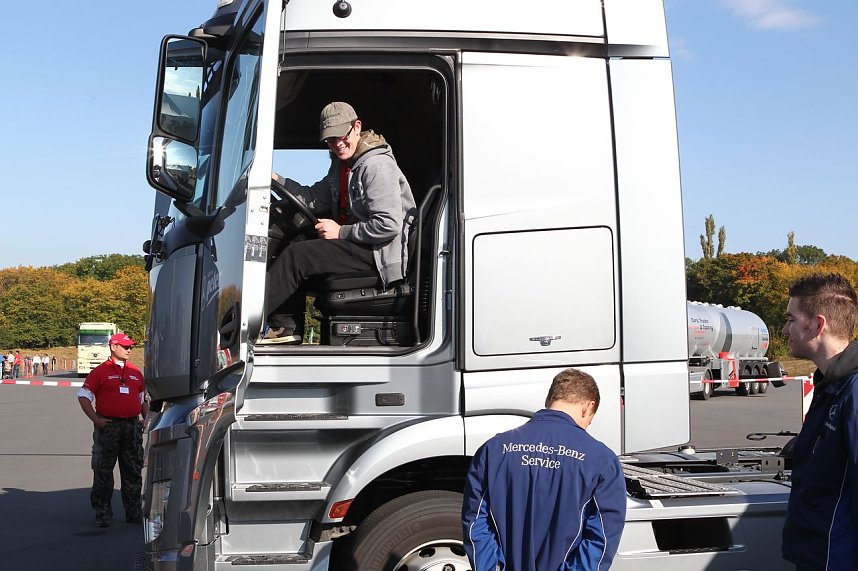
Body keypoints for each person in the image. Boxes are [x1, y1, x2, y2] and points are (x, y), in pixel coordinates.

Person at [260, 101, 416, 344]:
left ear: (357, 127)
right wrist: (275, 179)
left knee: (297, 256)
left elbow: (388, 225)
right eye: (330, 140)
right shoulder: (342, 167)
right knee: (295, 239)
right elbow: (313, 197)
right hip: (361, 244)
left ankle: (246, 324)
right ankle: (286, 328)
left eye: (342, 135)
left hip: (380, 252)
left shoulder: (376, 165)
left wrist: (341, 232)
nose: (337, 144)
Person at [462, 368, 627, 570]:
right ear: (587, 407)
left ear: (549, 400)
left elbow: (475, 521)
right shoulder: (602, 460)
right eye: (590, 420)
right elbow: (601, 539)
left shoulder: (494, 449)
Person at [781, 273, 858, 570]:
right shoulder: (829, 384)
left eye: (791, 319)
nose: (785, 330)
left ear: (817, 325)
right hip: (816, 557)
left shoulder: (853, 392)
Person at [76, 333, 148, 527]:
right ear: (113, 346)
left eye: (130, 347)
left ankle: (134, 512)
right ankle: (102, 514)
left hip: (132, 427)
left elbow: (142, 399)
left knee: (133, 471)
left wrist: (146, 419)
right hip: (109, 427)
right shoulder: (100, 372)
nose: (129, 350)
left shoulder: (135, 372)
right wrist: (96, 420)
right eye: (125, 346)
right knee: (103, 471)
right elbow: (83, 396)